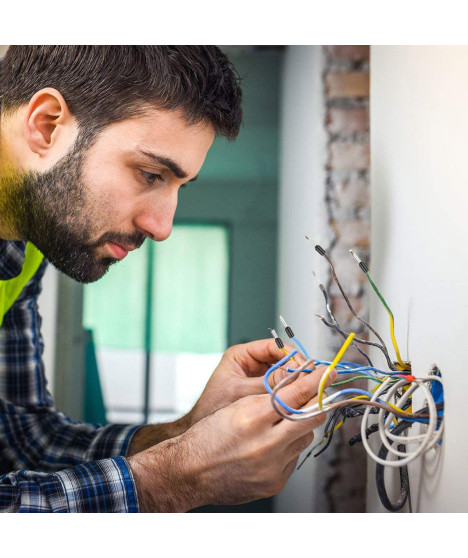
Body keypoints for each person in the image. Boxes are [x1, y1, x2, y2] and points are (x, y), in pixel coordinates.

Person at [0, 46, 334, 513]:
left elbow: (23, 439)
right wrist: (173, 479)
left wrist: (187, 433)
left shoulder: (22, 247)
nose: (162, 227)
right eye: (151, 174)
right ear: (46, 124)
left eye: (178, 186)